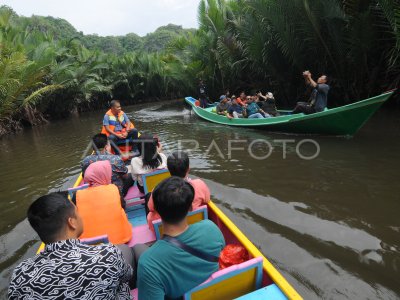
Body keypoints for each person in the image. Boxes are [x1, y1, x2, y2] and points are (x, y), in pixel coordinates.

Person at [8, 192, 132, 299]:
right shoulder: (107, 254)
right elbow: (127, 275)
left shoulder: (20, 274)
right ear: (71, 222)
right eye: (77, 212)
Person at [136, 176, 225, 300]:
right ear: (190, 207)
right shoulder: (211, 228)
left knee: (138, 249)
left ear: (156, 211)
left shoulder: (148, 264)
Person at [147, 151, 210, 231]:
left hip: (165, 230)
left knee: (150, 214)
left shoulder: (158, 189)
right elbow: (207, 200)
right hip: (194, 225)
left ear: (168, 170)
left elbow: (151, 208)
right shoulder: (199, 184)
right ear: (188, 169)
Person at [74, 160, 132, 244]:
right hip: (120, 240)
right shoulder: (113, 188)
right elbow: (123, 207)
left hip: (90, 244)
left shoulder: (77, 195)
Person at [81, 133, 130, 197]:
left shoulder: (85, 161)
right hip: (115, 191)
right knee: (130, 177)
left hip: (95, 192)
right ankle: (123, 195)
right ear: (106, 146)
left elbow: (84, 176)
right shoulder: (116, 159)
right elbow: (125, 176)